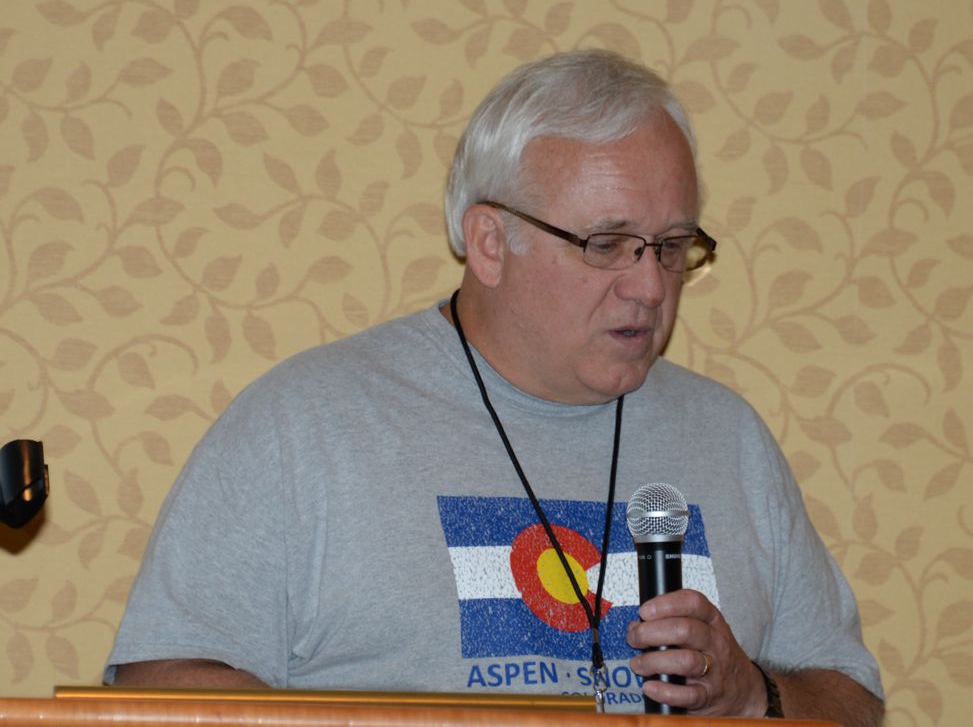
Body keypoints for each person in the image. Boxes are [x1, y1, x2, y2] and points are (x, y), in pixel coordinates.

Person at [106, 50, 885, 723]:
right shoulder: (305, 426)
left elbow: (850, 698)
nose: (650, 286)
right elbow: (159, 691)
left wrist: (754, 695)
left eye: (671, 246)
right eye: (607, 244)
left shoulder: (730, 438)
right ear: (488, 242)